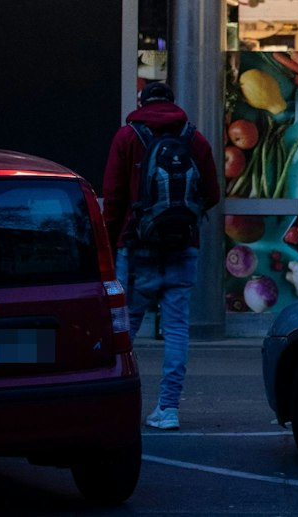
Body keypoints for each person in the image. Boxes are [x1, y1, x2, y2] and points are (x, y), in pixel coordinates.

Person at [102, 81, 220, 431]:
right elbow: (212, 193)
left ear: (142, 102)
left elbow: (113, 197)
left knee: (125, 329)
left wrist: (109, 246)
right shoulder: (194, 139)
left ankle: (116, 404)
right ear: (173, 103)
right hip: (183, 246)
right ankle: (167, 408)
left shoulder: (126, 138)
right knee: (177, 328)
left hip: (135, 247)